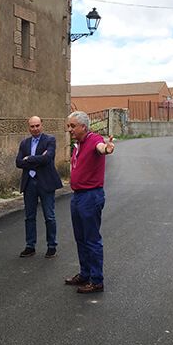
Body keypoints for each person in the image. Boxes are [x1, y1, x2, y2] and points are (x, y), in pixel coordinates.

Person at [63, 111, 114, 294]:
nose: (69, 129)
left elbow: (101, 148)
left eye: (72, 126)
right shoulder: (77, 145)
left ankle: (96, 280)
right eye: (69, 126)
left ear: (83, 127)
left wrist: (107, 148)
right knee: (80, 238)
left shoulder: (94, 139)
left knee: (91, 239)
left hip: (90, 196)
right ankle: (85, 274)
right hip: (78, 196)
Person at [15, 116, 63, 258]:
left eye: (37, 126)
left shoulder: (50, 140)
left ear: (42, 125)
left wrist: (28, 159)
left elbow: (47, 158)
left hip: (45, 182)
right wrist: (37, 160)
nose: (35, 129)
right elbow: (18, 162)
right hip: (29, 183)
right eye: (32, 126)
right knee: (29, 217)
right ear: (28, 127)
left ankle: (51, 245)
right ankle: (30, 246)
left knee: (49, 216)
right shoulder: (24, 143)